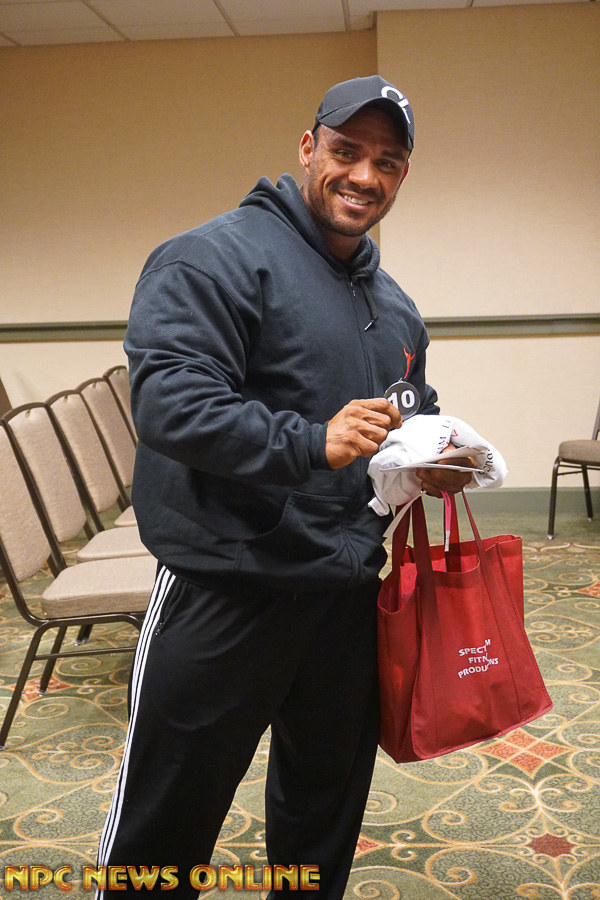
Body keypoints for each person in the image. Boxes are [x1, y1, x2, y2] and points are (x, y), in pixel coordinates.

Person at [95, 75, 472, 898]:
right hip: (226, 590)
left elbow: (408, 409)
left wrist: (432, 455)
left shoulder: (393, 305)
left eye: (387, 162)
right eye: (346, 151)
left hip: (343, 592)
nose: (364, 176)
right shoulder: (212, 258)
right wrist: (311, 441)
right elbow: (171, 405)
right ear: (308, 148)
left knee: (321, 811)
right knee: (167, 821)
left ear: (403, 175)